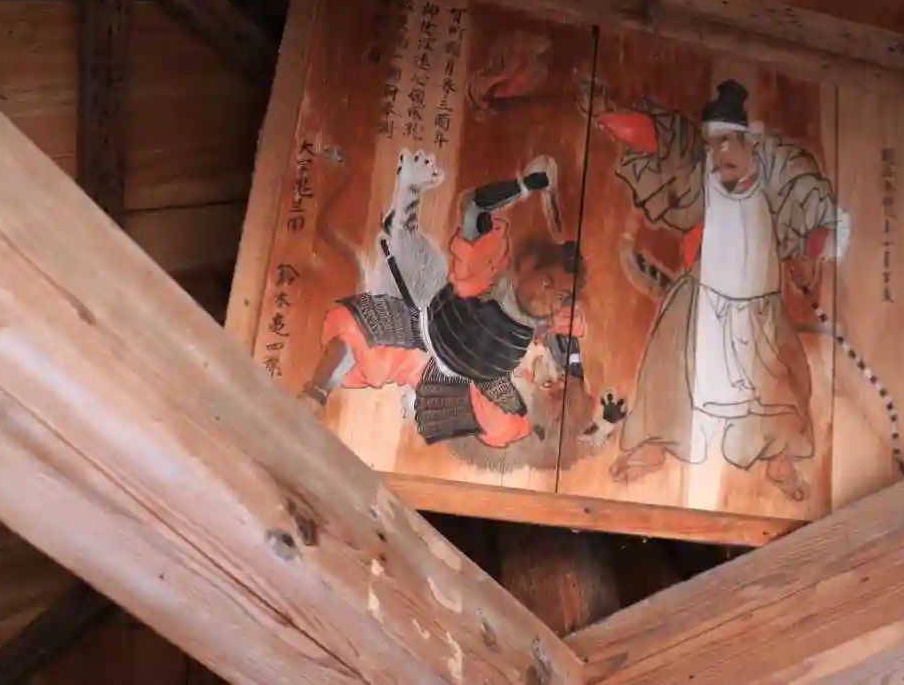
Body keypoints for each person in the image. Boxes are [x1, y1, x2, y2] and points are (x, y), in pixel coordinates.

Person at [597, 79, 843, 501]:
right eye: (712, 145)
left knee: (782, 383)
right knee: (669, 367)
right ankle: (656, 445)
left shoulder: (776, 175)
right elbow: (661, 141)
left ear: (750, 142)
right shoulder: (702, 179)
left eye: (729, 142)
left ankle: (779, 457)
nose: (720, 155)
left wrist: (809, 254)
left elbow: (812, 209)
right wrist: (609, 118)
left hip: (759, 306)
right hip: (703, 297)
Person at [300, 163, 585, 449]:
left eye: (560, 297)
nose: (549, 299)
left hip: (468, 382)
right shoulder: (486, 272)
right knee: (356, 331)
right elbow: (473, 206)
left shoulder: (549, 326)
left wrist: (571, 381)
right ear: (528, 265)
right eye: (547, 283)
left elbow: (568, 357)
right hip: (424, 335)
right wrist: (525, 185)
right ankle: (315, 395)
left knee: (509, 427)